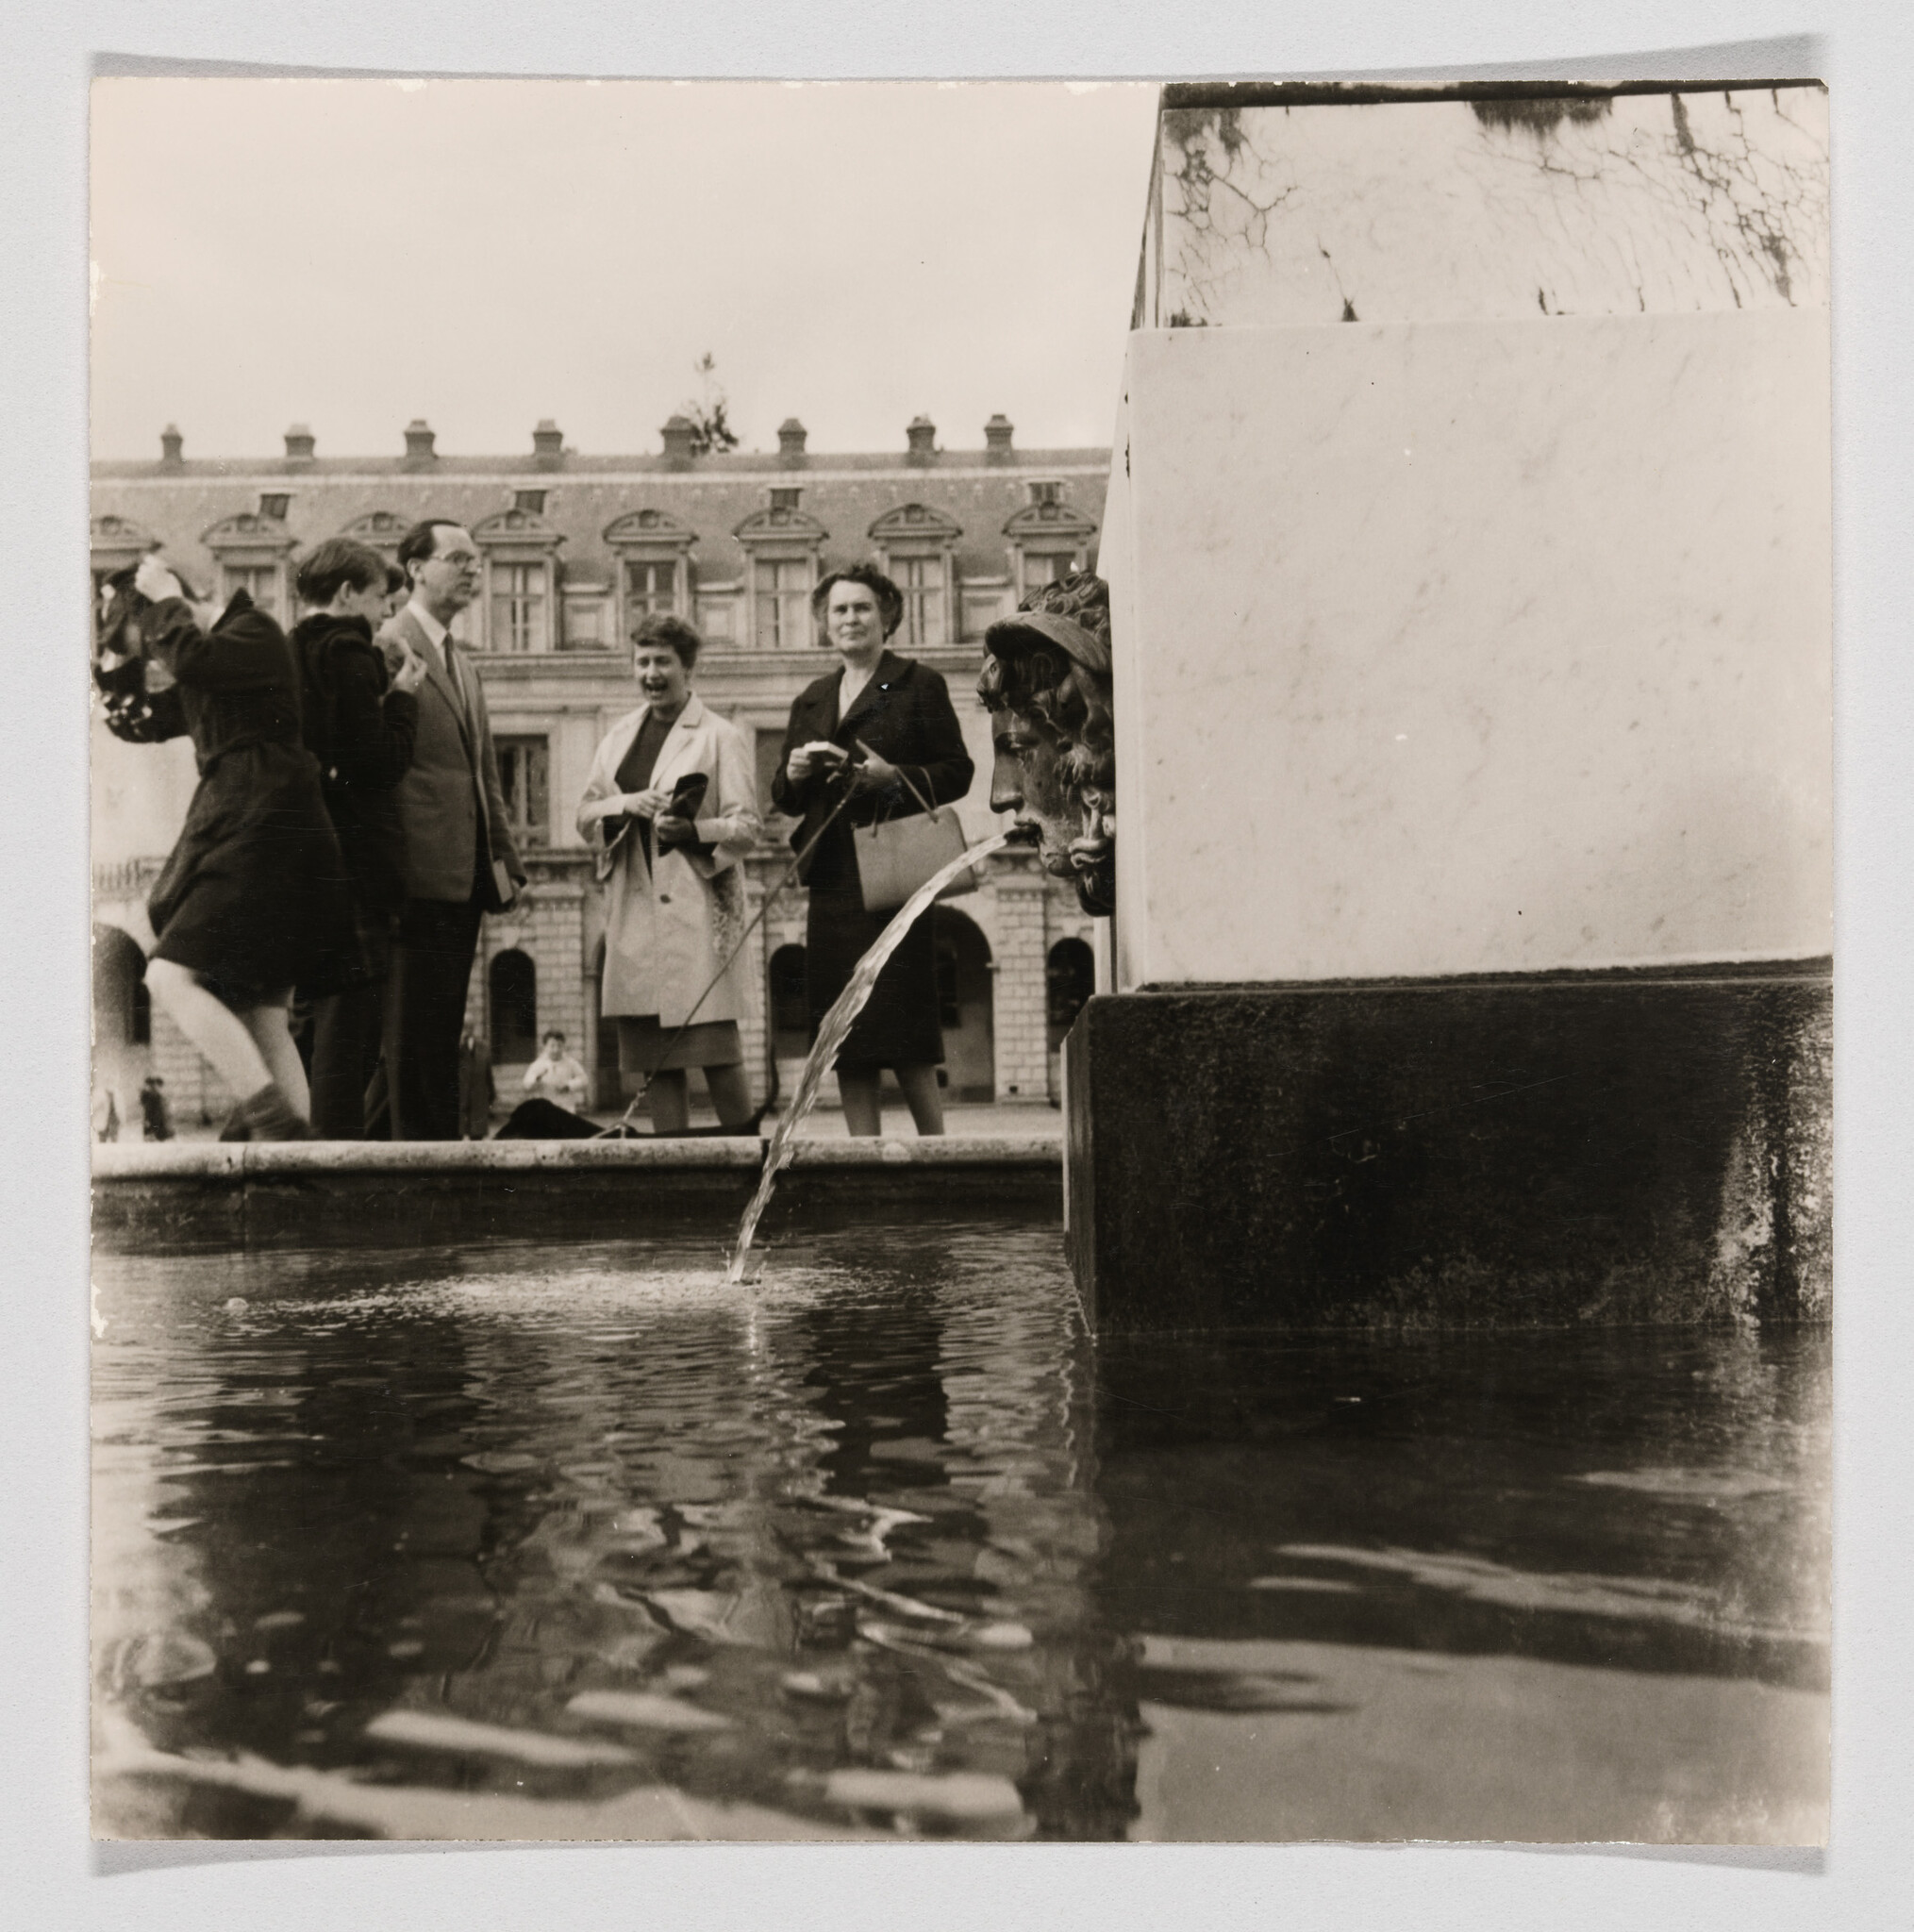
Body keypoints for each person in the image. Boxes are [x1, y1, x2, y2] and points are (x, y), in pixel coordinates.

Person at [95, 555, 360, 1141]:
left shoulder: (253, 631)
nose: (152, 656)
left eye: (143, 639)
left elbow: (190, 656)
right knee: (262, 1008)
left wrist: (163, 596)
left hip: (261, 824)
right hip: (262, 824)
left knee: (168, 977)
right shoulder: (211, 669)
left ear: (174, 607)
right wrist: (114, 662)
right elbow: (135, 720)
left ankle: (274, 1124)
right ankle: (300, 1166)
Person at [773, 564, 974, 1137]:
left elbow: (957, 771)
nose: (851, 619)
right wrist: (790, 772)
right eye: (839, 610)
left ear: (887, 617)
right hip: (833, 874)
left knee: (905, 1020)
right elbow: (786, 799)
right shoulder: (811, 699)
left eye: (862, 607)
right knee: (843, 1029)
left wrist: (894, 776)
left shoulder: (916, 683)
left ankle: (937, 1150)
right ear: (824, 623)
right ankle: (864, 1154)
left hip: (895, 872)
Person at [369, 520, 525, 1140]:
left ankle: (404, 1157)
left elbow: (485, 774)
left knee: (435, 1029)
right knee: (412, 1036)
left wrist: (506, 863)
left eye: (476, 561)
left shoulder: (463, 663)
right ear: (414, 568)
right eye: (457, 558)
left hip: (460, 878)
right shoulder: (386, 646)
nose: (472, 570)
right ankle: (421, 1166)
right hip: (411, 876)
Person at [576, 612, 760, 1135]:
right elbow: (585, 815)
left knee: (716, 1048)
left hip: (698, 912)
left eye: (663, 662)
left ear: (688, 668)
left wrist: (692, 833)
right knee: (654, 1060)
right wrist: (626, 803)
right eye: (642, 661)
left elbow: (748, 827)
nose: (651, 673)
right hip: (634, 912)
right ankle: (671, 1161)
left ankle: (753, 1157)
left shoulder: (720, 735)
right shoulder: (616, 737)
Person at [288, 538, 426, 1137]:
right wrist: (402, 699)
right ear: (347, 594)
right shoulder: (349, 651)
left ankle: (285, 1152)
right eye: (378, 600)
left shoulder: (287, 652)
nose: (382, 616)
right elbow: (380, 763)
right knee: (349, 1031)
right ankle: (333, 1167)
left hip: (304, 857)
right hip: (358, 864)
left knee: (308, 1023)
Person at [522, 1029, 589, 1109]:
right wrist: (537, 1078)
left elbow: (584, 1079)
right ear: (545, 1047)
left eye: (559, 1045)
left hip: (565, 1106)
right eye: (552, 1046)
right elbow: (526, 1085)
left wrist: (568, 1086)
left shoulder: (571, 1063)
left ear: (563, 1046)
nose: (556, 1050)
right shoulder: (538, 1065)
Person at [458, 1026, 494, 1140]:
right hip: (460, 1099)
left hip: (477, 1101)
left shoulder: (482, 1048)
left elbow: (488, 1076)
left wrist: (491, 1095)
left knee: (477, 1137)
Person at [139, 1074, 173, 1141]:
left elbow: (147, 1107)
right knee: (154, 1135)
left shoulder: (154, 1095)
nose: (154, 1087)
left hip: (156, 1119)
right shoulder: (151, 1094)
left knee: (155, 1135)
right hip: (155, 1119)